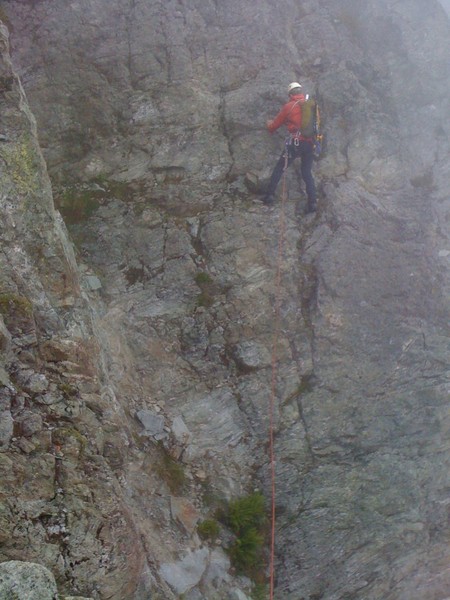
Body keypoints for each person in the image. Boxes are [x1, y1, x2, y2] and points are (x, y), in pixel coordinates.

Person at [264, 82, 317, 212]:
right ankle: (313, 203)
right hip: (310, 144)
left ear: (290, 94)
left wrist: (268, 124)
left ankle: (269, 195)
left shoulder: (289, 106)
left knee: (279, 168)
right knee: (307, 173)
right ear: (300, 92)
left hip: (295, 143)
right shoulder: (310, 105)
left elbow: (274, 126)